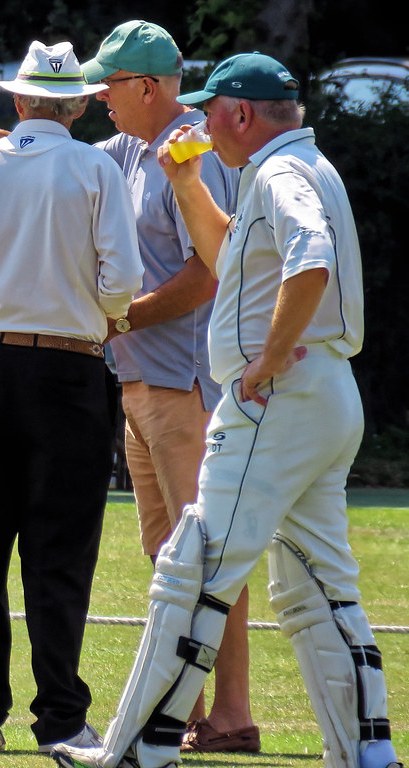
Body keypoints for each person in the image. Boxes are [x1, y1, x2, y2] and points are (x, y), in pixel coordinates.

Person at [53, 53, 403, 768]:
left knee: (192, 566)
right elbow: (238, 257)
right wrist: (185, 183)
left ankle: (135, 750)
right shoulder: (299, 166)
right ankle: (366, 754)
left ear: (240, 115)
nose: (201, 120)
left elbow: (311, 261)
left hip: (277, 400)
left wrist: (268, 359)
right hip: (327, 398)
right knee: (317, 586)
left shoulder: (277, 174)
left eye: (211, 109)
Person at [0, 40, 143, 755]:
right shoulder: (95, 166)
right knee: (60, 550)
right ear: (75, 105)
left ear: (19, 103)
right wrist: (95, 306)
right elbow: (123, 281)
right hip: (71, 369)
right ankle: (62, 717)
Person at [77, 22, 256, 753]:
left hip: (187, 385)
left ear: (147, 88)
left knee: (209, 555)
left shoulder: (192, 154)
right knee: (167, 553)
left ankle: (234, 715)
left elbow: (203, 276)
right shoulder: (126, 149)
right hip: (144, 383)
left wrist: (118, 321)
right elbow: (61, 153)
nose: (100, 96)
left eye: (110, 83)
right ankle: (187, 707)